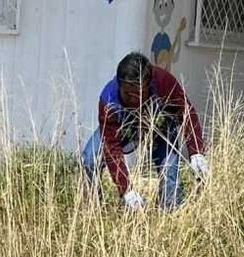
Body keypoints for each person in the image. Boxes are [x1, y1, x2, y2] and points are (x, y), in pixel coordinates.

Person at [82, 52, 208, 211]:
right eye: (127, 93)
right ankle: (93, 212)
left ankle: (168, 213)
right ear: (119, 84)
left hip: (159, 127)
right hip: (124, 129)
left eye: (138, 93)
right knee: (89, 158)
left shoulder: (163, 82)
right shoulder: (108, 102)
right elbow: (111, 147)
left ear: (149, 83)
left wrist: (196, 151)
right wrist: (126, 189)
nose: (133, 99)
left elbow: (186, 113)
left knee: (169, 170)